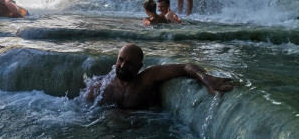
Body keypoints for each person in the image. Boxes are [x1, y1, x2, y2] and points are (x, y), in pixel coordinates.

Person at [87, 43, 235, 109]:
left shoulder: (147, 78)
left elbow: (185, 67)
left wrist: (207, 79)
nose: (123, 66)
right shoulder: (101, 87)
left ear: (140, 66)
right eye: (121, 60)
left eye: (130, 63)